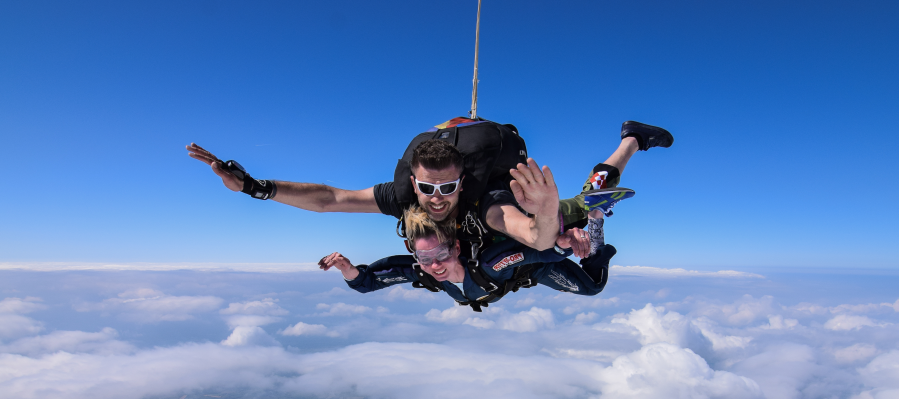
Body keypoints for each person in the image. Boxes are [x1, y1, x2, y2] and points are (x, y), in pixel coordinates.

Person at [187, 120, 672, 258]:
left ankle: (631, 139)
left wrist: (547, 211)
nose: (436, 197)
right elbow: (330, 199)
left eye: (447, 187)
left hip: (527, 205)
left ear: (464, 181)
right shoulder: (403, 194)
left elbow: (536, 238)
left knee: (583, 210)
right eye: (426, 187)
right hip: (471, 153)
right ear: (413, 180)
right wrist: (255, 187)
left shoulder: (488, 201)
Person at [318, 205, 618, 311]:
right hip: (510, 274)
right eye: (424, 257)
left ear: (457, 248)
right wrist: (347, 269)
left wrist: (563, 245)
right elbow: (368, 282)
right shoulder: (420, 271)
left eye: (441, 254)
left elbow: (529, 253)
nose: (434, 265)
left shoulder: (489, 263)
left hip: (532, 267)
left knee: (592, 286)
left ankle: (595, 221)